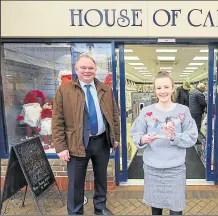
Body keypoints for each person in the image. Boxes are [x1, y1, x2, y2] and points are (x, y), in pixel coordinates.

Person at [52, 54, 120, 215]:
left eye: (90, 68)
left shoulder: (105, 88)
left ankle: (100, 207)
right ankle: (75, 211)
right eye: (83, 68)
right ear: (76, 70)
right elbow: (57, 120)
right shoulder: (65, 90)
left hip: (101, 141)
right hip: (76, 142)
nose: (87, 71)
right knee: (76, 181)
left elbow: (114, 115)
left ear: (95, 70)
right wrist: (61, 147)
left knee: (101, 178)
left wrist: (115, 137)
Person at [130, 71, 198, 215]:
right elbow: (135, 133)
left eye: (166, 87)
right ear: (154, 90)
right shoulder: (146, 112)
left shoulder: (183, 111)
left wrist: (174, 136)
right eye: (159, 88)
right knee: (156, 210)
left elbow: (192, 136)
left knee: (176, 210)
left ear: (173, 88)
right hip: (152, 169)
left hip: (175, 170)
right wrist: (143, 139)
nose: (163, 91)